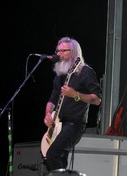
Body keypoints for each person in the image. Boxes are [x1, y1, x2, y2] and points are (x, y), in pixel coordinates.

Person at [43, 37, 102, 171]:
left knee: (53, 154)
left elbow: (97, 99)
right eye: (58, 51)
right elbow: (52, 100)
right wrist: (47, 115)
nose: (59, 54)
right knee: (57, 160)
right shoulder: (60, 75)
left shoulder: (85, 71)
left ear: (74, 53)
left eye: (64, 51)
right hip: (57, 124)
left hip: (74, 125)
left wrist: (76, 94)